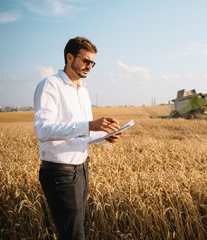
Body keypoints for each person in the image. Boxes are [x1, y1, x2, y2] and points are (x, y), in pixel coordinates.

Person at [34, 36, 121, 240]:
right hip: (60, 173)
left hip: (81, 170)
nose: (89, 66)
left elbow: (83, 132)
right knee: (73, 235)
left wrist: (104, 136)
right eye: (85, 60)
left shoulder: (83, 91)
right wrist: (89, 125)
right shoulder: (50, 85)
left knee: (75, 232)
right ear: (69, 57)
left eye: (92, 63)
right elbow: (43, 130)